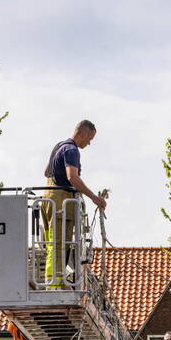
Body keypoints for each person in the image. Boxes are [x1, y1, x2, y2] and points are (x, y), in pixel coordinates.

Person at [40, 120, 107, 286]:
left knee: (52, 243)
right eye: (89, 138)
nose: (89, 143)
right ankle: (56, 285)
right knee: (61, 244)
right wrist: (94, 197)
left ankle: (53, 281)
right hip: (61, 203)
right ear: (82, 134)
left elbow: (46, 172)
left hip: (48, 199)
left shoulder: (58, 146)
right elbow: (72, 177)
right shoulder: (72, 150)